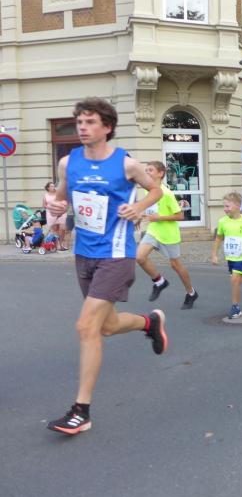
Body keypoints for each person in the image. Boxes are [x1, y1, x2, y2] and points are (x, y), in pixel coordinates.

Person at [45, 97, 167, 436]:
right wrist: (57, 208)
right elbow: (63, 196)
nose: (82, 128)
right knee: (108, 326)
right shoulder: (68, 163)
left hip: (116, 254)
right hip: (84, 253)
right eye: (79, 122)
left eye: (90, 122)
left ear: (107, 127)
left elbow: (155, 191)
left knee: (86, 326)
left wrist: (138, 207)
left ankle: (80, 411)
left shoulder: (126, 164)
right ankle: (149, 322)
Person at [136, 161, 199, 309]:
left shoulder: (167, 194)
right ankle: (159, 281)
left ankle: (191, 292)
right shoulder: (147, 190)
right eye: (146, 170)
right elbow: (152, 210)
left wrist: (160, 218)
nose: (147, 172)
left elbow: (180, 216)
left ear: (161, 173)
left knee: (176, 265)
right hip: (153, 230)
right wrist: (140, 216)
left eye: (150, 170)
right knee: (139, 257)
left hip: (169, 234)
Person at [43, 181, 68, 250]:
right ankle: (57, 244)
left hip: (61, 212)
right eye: (51, 186)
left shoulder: (58, 193)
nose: (53, 187)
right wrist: (49, 207)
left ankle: (61, 243)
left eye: (53, 186)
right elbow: (44, 205)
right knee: (55, 230)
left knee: (62, 228)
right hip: (51, 213)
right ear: (48, 188)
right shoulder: (45, 195)